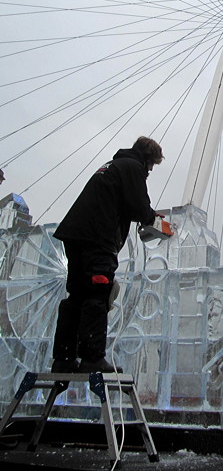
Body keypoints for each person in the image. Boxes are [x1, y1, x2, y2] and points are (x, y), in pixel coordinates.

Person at [51, 136, 164, 373]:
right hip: (97, 239)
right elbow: (138, 205)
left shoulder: (113, 166)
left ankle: (63, 358)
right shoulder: (134, 168)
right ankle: (92, 358)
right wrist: (153, 219)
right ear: (147, 158)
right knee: (98, 292)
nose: (150, 170)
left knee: (77, 296)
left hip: (76, 235)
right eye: (152, 165)